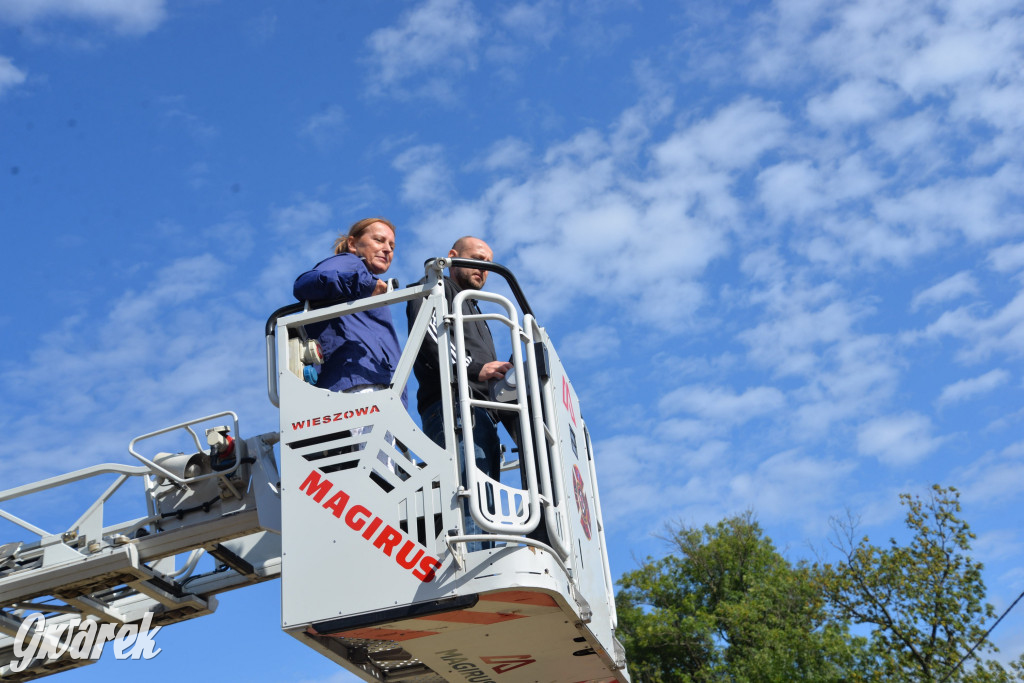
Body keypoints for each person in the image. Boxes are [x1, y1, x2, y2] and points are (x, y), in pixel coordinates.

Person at [407, 237, 511, 547]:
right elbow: (432, 339)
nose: (484, 269)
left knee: (486, 506)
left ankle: (483, 560)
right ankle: (471, 566)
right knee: (467, 499)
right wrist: (475, 369)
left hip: (481, 413)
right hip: (453, 407)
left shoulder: (472, 306)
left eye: (489, 264)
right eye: (478, 259)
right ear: (453, 257)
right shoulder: (434, 289)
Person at [293, 217, 407, 409]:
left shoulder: (366, 282)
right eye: (379, 240)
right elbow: (306, 284)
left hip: (380, 390)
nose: (387, 249)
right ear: (353, 244)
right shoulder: (350, 263)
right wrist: (364, 284)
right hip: (358, 385)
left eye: (392, 246)